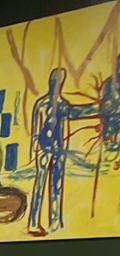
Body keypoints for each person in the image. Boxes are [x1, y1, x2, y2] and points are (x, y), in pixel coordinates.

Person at [29, 67, 98, 236]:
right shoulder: (42, 104)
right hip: (44, 150)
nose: (56, 84)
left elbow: (75, 116)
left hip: (59, 151)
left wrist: (99, 108)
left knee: (57, 185)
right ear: (51, 83)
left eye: (59, 81)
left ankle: (54, 221)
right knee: (40, 185)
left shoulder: (63, 106)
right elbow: (36, 129)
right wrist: (35, 147)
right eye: (55, 81)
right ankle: (33, 223)